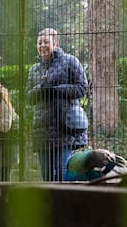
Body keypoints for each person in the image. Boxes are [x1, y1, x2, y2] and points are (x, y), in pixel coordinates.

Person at [25, 28, 88, 181]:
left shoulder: (70, 61)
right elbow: (28, 98)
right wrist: (40, 89)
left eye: (46, 41)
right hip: (42, 129)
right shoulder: (35, 70)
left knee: (62, 172)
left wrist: (55, 90)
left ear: (56, 43)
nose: (42, 45)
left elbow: (82, 87)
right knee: (47, 176)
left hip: (64, 127)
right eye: (39, 42)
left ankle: (63, 203)